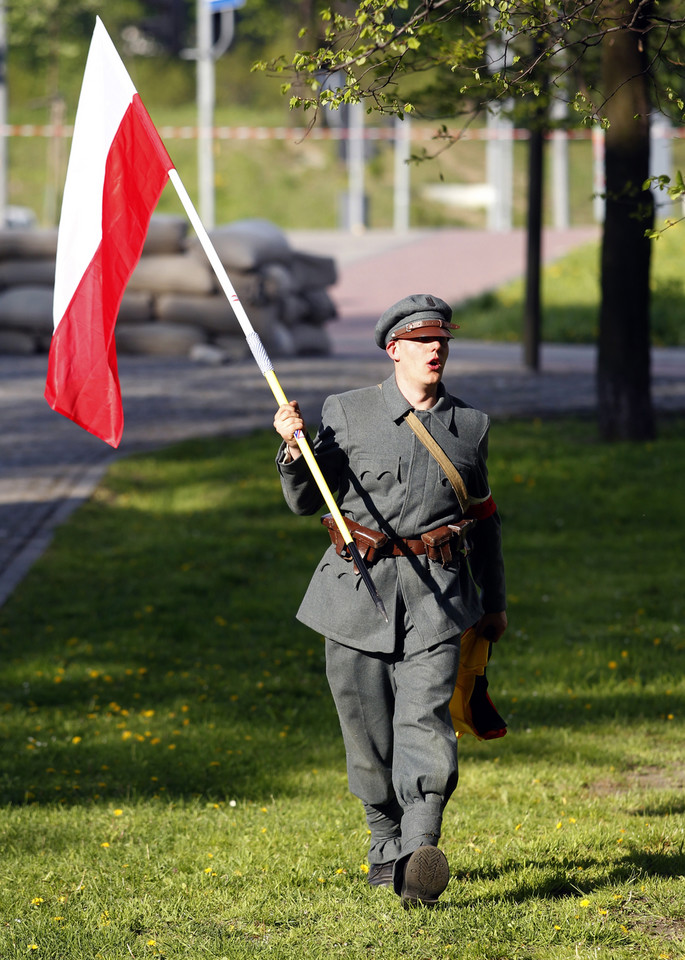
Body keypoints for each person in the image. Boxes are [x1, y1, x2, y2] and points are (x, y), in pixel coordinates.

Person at [273, 294, 506, 907]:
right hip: (355, 599)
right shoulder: (347, 414)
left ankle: (421, 850)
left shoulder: (470, 426)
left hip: (440, 600)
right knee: (368, 734)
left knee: (425, 722)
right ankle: (385, 841)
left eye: (443, 341)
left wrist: (495, 600)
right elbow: (305, 501)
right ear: (393, 349)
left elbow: (484, 519)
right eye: (423, 341)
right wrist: (294, 452)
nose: (436, 350)